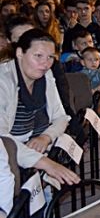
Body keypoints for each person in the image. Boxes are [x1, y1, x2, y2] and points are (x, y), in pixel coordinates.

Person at [0, 28, 80, 184]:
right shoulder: (3, 81)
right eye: (38, 56)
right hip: (8, 160)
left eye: (50, 57)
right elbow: (3, 139)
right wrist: (45, 163)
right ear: (19, 53)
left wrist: (46, 137)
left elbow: (61, 117)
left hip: (39, 152)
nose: (45, 63)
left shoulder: (45, 74)